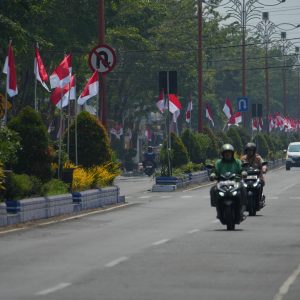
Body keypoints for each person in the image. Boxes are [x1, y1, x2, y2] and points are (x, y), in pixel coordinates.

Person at [210, 144, 246, 220]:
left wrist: (243, 173)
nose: (227, 154)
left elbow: (242, 170)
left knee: (243, 188)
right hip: (222, 182)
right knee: (213, 189)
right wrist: (213, 175)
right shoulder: (218, 163)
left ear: (232, 153)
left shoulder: (237, 162)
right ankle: (217, 207)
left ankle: (242, 207)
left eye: (229, 152)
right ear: (222, 154)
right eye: (225, 152)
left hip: (235, 182)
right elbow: (214, 171)